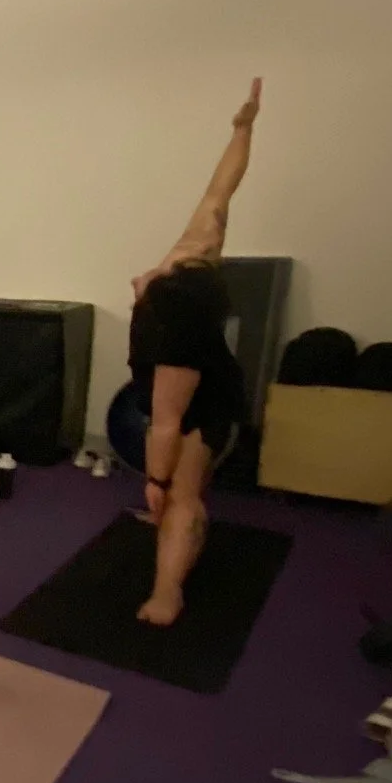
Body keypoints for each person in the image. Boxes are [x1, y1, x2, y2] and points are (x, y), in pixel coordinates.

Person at [128, 77, 262, 627]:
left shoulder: (173, 328)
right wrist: (243, 128)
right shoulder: (192, 257)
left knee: (180, 494)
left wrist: (155, 483)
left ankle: (168, 593)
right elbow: (220, 190)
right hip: (194, 388)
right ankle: (180, 522)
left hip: (203, 407)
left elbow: (167, 422)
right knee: (177, 493)